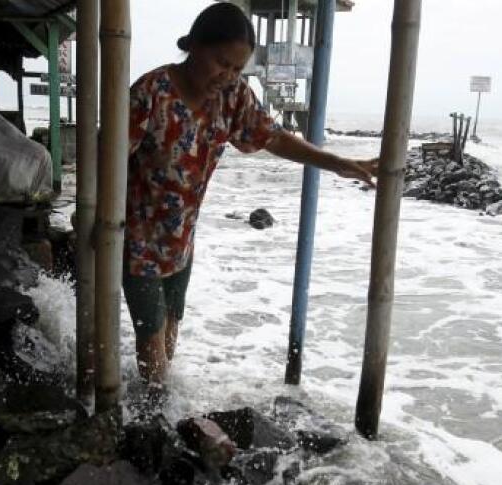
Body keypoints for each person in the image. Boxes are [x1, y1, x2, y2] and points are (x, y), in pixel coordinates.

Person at [124, 3, 377, 388]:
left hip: (181, 239)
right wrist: (90, 219)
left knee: (172, 322)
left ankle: (159, 416)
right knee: (151, 334)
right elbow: (104, 157)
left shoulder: (232, 96)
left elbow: (271, 137)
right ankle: (155, 416)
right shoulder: (150, 93)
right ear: (194, 45)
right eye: (221, 62)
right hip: (135, 238)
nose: (227, 76)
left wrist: (333, 161)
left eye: (237, 69)